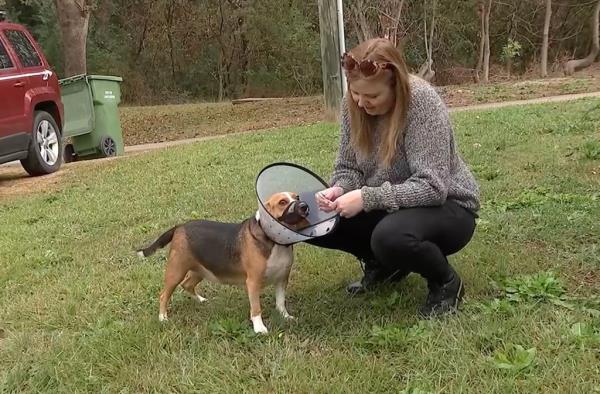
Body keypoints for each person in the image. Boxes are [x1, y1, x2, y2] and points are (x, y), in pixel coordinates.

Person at [306, 38, 480, 317]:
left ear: (395, 85)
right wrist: (338, 190)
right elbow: (347, 167)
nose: (362, 103)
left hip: (449, 207)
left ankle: (446, 283)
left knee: (391, 237)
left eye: (372, 97)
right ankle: (385, 265)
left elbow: (433, 186)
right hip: (392, 206)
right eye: (355, 94)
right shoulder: (354, 104)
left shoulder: (422, 102)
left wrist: (367, 197)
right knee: (307, 216)